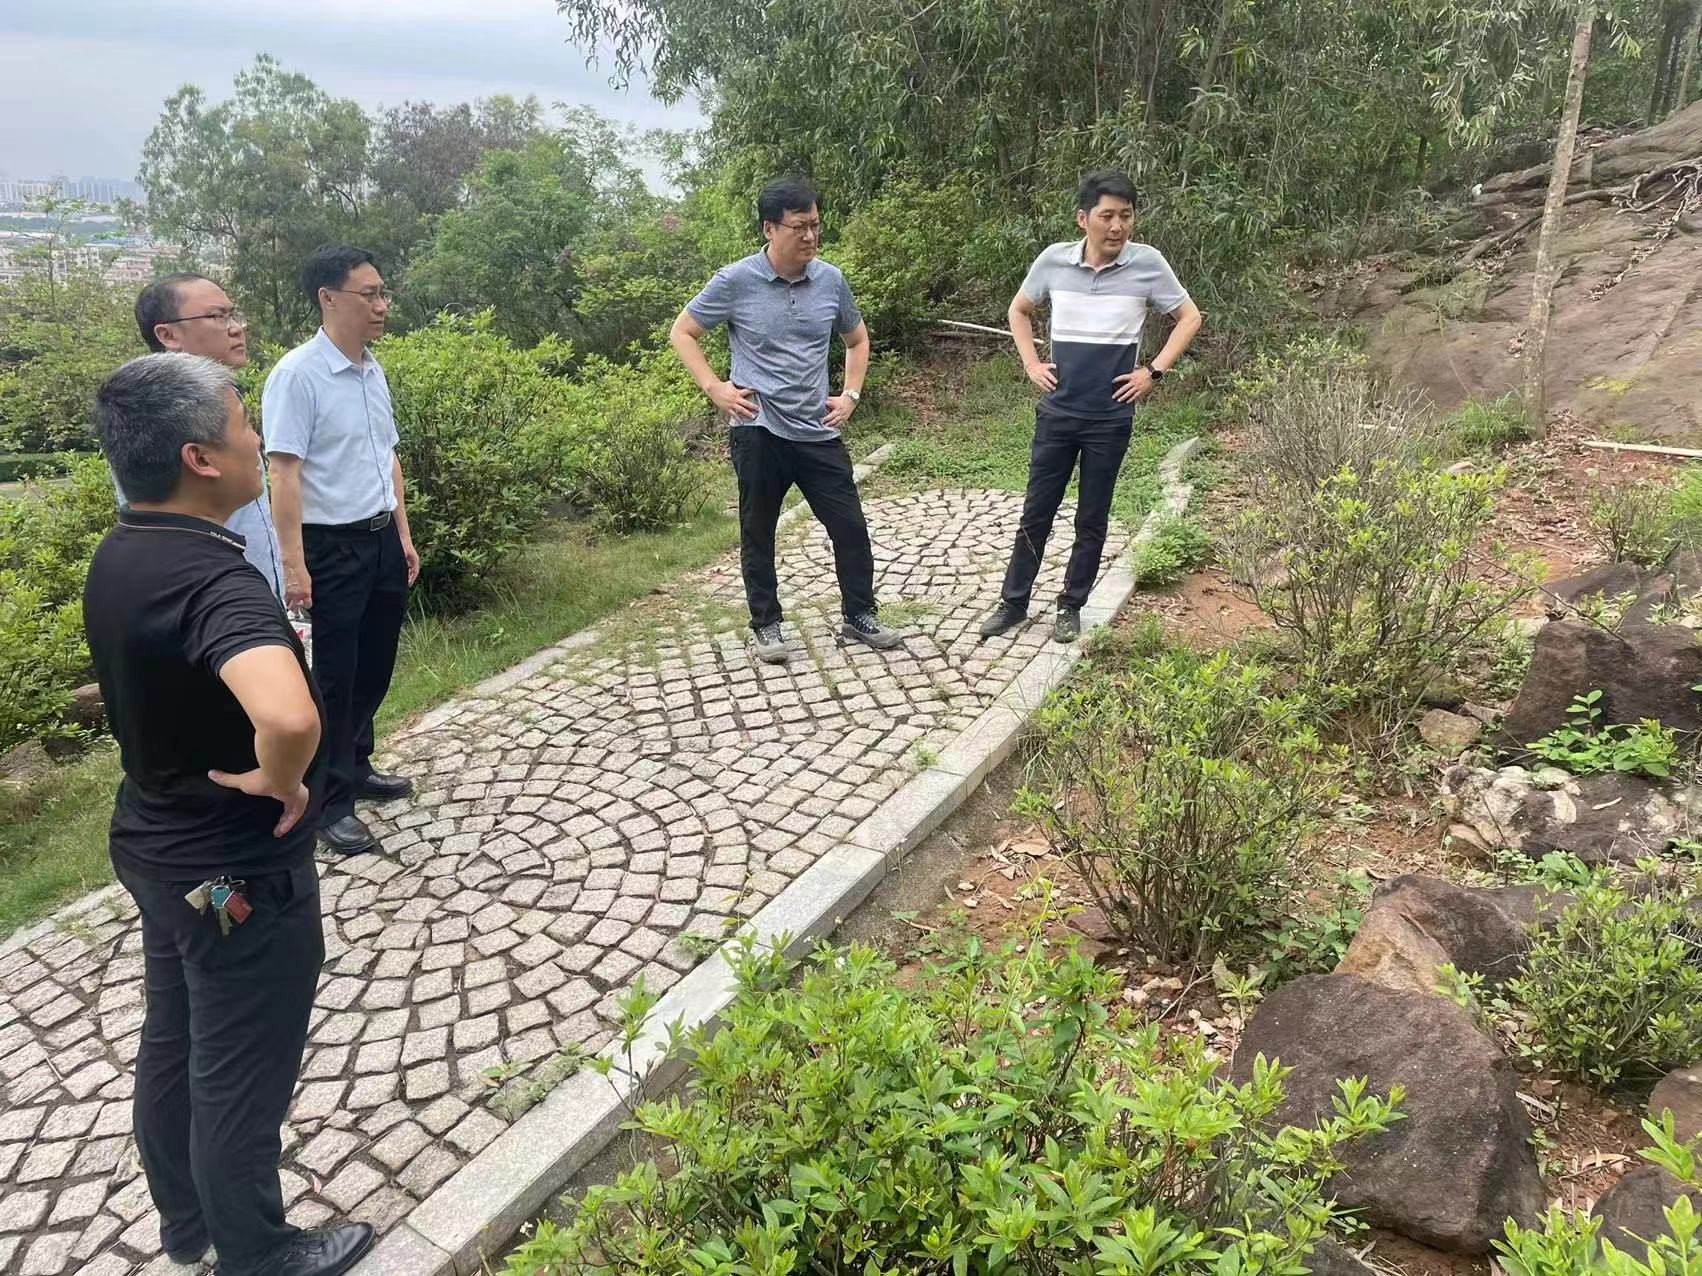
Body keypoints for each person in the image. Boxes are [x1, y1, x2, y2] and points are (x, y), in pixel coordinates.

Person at [85, 353, 374, 1276]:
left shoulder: (123, 551)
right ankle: (258, 1251)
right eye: (244, 423)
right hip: (230, 877)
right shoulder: (214, 580)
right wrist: (281, 780)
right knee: (238, 1060)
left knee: (175, 1036)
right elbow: (287, 715)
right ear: (200, 457)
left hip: (157, 855)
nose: (257, 438)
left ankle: (188, 1224)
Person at [670, 176, 902, 664]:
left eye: (815, 225)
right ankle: (767, 624)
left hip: (816, 429)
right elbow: (683, 332)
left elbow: (857, 339)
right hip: (758, 428)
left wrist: (850, 394)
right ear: (769, 229)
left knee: (850, 526)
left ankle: (860, 614)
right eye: (799, 227)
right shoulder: (735, 280)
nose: (810, 236)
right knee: (759, 531)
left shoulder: (831, 281)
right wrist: (715, 388)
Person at [979, 170, 1204, 644]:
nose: (1117, 226)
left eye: (1126, 215)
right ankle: (1013, 603)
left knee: (1092, 516)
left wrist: (1153, 372)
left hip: (1110, 416)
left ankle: (1071, 605)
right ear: (1084, 219)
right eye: (1107, 216)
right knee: (1036, 511)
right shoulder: (1054, 261)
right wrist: (1031, 363)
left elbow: (1189, 317)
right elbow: (1019, 310)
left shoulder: (1148, 264)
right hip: (1058, 412)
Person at [263, 244, 419, 856]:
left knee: (374, 664)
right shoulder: (297, 376)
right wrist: (294, 565)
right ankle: (328, 802)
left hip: (380, 539)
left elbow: (387, 456)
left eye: (383, 293)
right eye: (369, 294)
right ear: (328, 298)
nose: (381, 305)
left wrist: (402, 534)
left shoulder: (371, 369)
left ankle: (357, 765)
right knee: (332, 677)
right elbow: (284, 473)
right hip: (330, 548)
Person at [110, 274, 285, 596]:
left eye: (233, 315)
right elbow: (166, 530)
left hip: (252, 585)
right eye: (218, 316)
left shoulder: (219, 398)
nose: (237, 328)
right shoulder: (155, 415)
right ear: (167, 334)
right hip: (213, 593)